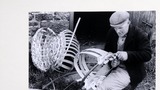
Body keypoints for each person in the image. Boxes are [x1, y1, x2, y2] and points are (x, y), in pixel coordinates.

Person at [94, 11, 152, 90]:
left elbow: (147, 54)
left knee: (103, 87)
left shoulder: (139, 34)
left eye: (120, 27)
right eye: (115, 28)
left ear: (128, 22)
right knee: (94, 81)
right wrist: (110, 57)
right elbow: (107, 50)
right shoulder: (112, 32)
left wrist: (127, 55)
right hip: (113, 66)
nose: (117, 31)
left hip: (130, 70)